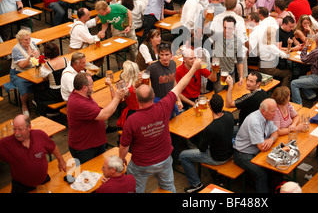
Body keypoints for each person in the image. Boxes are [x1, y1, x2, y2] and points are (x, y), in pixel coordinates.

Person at [119, 57, 202, 193]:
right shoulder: (163, 106)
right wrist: (194, 68)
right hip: (164, 159)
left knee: (135, 189)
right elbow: (180, 85)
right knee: (169, 187)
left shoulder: (132, 120)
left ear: (138, 100)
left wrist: (121, 160)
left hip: (141, 163)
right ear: (153, 97)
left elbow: (124, 146)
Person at [179, 93, 234, 193]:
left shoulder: (210, 128)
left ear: (209, 106)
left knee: (183, 155)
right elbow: (223, 113)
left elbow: (202, 149)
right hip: (229, 152)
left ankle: (196, 184)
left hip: (217, 158)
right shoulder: (229, 116)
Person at [67, 72, 126, 164]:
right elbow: (104, 115)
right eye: (91, 84)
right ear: (84, 87)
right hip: (84, 148)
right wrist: (117, 98)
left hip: (94, 143)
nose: (92, 86)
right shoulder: (79, 103)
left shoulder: (84, 95)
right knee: (89, 176)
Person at [0, 114, 67, 193]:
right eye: (14, 129)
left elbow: (53, 147)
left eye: (20, 129)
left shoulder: (40, 135)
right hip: (22, 187)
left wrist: (61, 161)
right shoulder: (6, 143)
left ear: (29, 127)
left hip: (43, 182)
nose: (17, 133)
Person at [233, 98, 279, 193]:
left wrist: (271, 139)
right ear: (263, 111)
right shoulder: (254, 121)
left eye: (276, 110)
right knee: (262, 174)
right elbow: (262, 147)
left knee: (275, 168)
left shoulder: (267, 116)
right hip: (242, 154)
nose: (275, 114)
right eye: (273, 111)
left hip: (255, 151)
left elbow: (276, 131)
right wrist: (269, 141)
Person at [290, 31, 318, 105]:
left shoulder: (315, 52)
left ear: (315, 41)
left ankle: (298, 104)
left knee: (294, 83)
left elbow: (303, 59)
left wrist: (306, 46)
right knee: (300, 78)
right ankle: (312, 96)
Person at [9, 29, 40, 116]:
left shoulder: (32, 44)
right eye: (26, 40)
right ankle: (24, 106)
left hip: (31, 70)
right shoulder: (16, 49)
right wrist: (30, 57)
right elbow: (22, 65)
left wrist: (37, 53)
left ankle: (37, 100)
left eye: (29, 39)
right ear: (20, 40)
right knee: (24, 89)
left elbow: (37, 52)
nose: (28, 41)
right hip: (19, 73)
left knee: (42, 81)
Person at [34, 42, 67, 117]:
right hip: (65, 88)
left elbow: (44, 78)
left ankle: (46, 112)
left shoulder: (48, 65)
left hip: (55, 93)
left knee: (37, 93)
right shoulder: (65, 60)